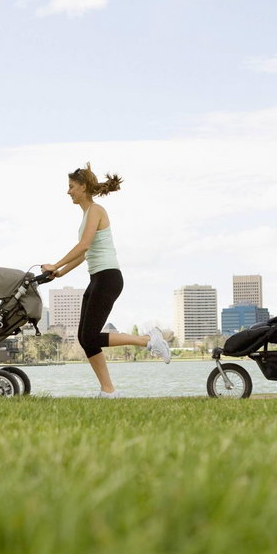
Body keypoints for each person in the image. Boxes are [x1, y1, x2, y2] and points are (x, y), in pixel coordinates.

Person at [42, 163, 170, 398]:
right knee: (85, 338)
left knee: (90, 336)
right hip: (97, 278)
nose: (68, 191)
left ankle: (147, 340)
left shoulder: (96, 210)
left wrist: (55, 264)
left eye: (71, 187)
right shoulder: (86, 216)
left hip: (108, 278)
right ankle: (108, 390)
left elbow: (84, 245)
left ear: (82, 186)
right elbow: (83, 254)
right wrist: (61, 273)